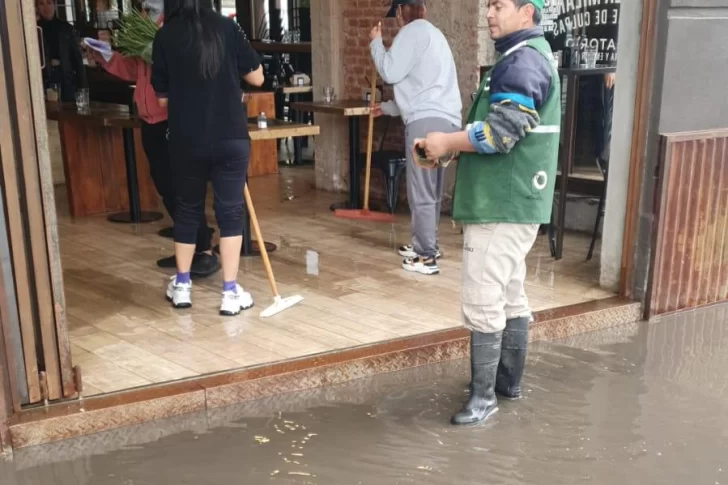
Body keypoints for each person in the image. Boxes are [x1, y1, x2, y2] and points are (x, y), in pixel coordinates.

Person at [415, 0, 560, 426]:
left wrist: (444, 143)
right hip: (515, 201)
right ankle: (505, 387)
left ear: (526, 13)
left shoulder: (521, 63)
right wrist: (446, 151)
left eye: (498, 5)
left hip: (501, 202)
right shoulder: (531, 57)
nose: (490, 14)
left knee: (483, 298)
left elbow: (501, 133)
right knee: (510, 294)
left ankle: (483, 400)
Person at [87, 0, 219, 278]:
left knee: (183, 188)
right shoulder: (146, 36)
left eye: (150, 7)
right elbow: (132, 70)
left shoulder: (176, 34)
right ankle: (188, 246)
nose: (145, 11)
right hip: (149, 122)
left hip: (173, 121)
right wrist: (104, 55)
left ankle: (204, 249)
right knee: (166, 188)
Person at [151, 0, 264, 314]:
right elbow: (258, 78)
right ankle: (229, 292)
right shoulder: (228, 27)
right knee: (230, 213)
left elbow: (161, 100)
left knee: (187, 210)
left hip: (187, 141)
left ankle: (183, 286)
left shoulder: (165, 36)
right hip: (230, 137)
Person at [369, 0, 462, 276]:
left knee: (421, 191)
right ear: (424, 9)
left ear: (400, 12)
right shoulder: (436, 35)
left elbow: (390, 72)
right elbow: (418, 87)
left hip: (424, 126)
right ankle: (428, 244)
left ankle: (425, 257)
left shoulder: (411, 33)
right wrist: (385, 109)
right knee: (432, 190)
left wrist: (376, 43)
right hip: (448, 124)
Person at [36, 0, 87, 102]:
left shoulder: (66, 28)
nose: (46, 7)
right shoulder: (34, 29)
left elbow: (77, 59)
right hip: (44, 80)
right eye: (41, 4)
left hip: (66, 79)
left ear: (54, 5)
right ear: (37, 7)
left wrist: (83, 88)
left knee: (69, 113)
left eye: (49, 3)